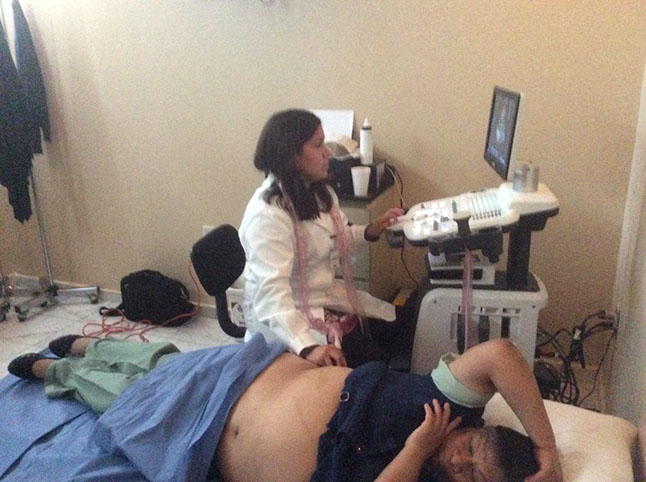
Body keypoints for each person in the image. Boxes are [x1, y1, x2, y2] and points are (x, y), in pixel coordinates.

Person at [8, 334, 562, 481]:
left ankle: (56, 371)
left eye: (472, 478)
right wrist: (547, 450)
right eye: (471, 449)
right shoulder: (446, 401)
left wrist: (417, 450)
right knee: (163, 363)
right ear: (475, 427)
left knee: (127, 401)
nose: (460, 462)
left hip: (202, 440)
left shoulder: (419, 473)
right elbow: (501, 354)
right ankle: (88, 345)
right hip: (241, 374)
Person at [239, 109, 405, 368]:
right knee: (379, 363)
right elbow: (272, 296)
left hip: (322, 299)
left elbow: (337, 237)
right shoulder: (267, 216)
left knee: (402, 325)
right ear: (293, 156)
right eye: (318, 145)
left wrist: (372, 230)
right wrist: (307, 346)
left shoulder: (315, 192)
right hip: (289, 322)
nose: (327, 152)